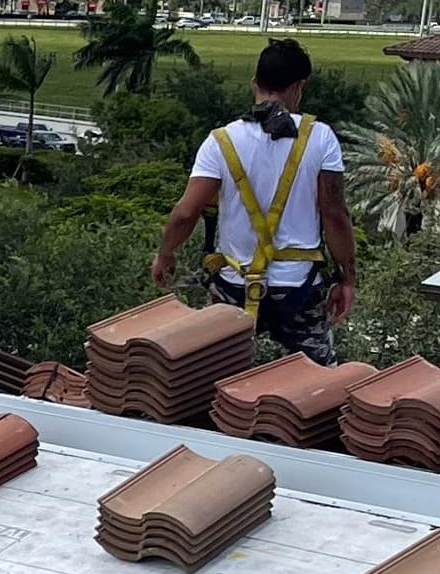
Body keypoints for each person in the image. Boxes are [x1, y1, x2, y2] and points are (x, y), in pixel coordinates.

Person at [147, 35, 354, 361]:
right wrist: (347, 278)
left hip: (234, 285)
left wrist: (165, 253)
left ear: (254, 82)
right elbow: (335, 216)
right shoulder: (320, 138)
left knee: (219, 376)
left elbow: (186, 213)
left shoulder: (221, 141)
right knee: (313, 384)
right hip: (298, 288)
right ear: (299, 86)